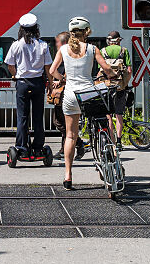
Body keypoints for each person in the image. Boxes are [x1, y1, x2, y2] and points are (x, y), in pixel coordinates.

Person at [49, 16, 115, 190]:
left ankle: (68, 175)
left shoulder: (63, 49)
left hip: (70, 95)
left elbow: (52, 70)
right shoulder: (92, 49)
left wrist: (63, 79)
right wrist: (112, 76)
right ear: (87, 32)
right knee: (104, 121)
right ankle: (108, 154)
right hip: (88, 94)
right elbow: (107, 68)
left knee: (70, 135)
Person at [4, 13, 53, 158]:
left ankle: (22, 148)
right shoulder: (43, 45)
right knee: (38, 116)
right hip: (38, 83)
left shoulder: (16, 45)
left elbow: (10, 65)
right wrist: (50, 84)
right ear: (36, 28)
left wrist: (15, 75)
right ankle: (38, 148)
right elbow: (47, 67)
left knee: (22, 117)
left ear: (21, 29)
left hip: (23, 83)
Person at [101, 30, 134, 139]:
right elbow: (129, 71)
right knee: (119, 114)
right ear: (118, 40)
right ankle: (119, 140)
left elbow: (100, 72)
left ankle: (111, 139)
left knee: (108, 115)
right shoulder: (124, 51)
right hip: (120, 88)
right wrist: (125, 83)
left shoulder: (103, 51)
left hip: (107, 87)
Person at [50, 31, 70, 152]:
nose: (56, 44)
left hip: (64, 91)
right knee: (60, 120)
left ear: (63, 43)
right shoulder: (63, 53)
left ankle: (76, 142)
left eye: (57, 42)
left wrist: (61, 80)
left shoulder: (66, 53)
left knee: (59, 121)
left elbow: (69, 69)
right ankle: (65, 147)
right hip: (61, 91)